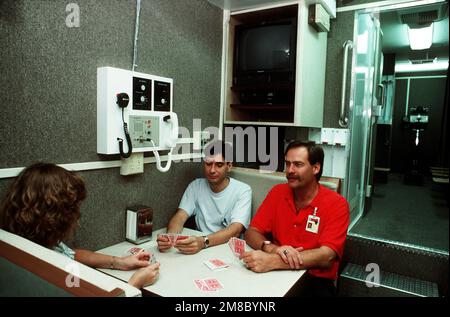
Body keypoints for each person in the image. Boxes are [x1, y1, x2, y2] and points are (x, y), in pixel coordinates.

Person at [0, 163, 159, 289]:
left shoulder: (33, 240)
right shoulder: (37, 268)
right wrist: (133, 285)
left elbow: (70, 254)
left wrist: (119, 262)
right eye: (73, 209)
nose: (77, 218)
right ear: (56, 216)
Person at [242, 141, 349, 297]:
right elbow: (252, 232)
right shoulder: (278, 192)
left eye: (298, 164)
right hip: (275, 274)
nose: (289, 170)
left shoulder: (337, 204)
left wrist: (274, 261)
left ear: (315, 168)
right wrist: (273, 249)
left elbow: (327, 256)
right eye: (287, 164)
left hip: (313, 281)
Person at [157, 140, 252, 254]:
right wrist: (169, 237)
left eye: (219, 165)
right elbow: (180, 217)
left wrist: (203, 242)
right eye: (208, 164)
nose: (212, 170)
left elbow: (235, 230)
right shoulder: (196, 186)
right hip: (200, 246)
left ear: (229, 166)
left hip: (225, 248)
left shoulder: (243, 190)